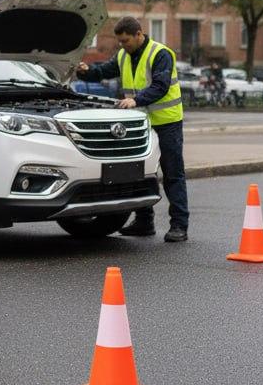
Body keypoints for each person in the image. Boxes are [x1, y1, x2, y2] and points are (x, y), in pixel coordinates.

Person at [76, 16, 189, 242]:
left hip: (166, 122)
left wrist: (136, 100)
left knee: (172, 174)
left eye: (126, 41)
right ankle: (144, 222)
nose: (123, 45)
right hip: (141, 124)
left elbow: (160, 86)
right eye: (120, 42)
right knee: (139, 173)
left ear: (139, 34)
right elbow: (105, 71)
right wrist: (87, 71)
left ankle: (179, 225)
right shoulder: (123, 55)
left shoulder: (161, 54)